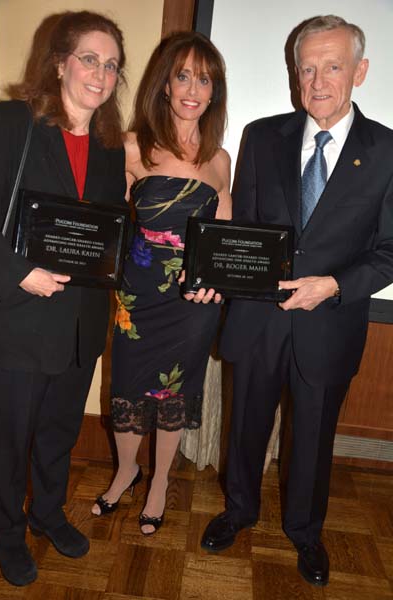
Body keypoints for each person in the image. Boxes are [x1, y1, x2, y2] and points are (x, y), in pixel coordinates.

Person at [200, 15, 393, 587]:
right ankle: (238, 511)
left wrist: (331, 285)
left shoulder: (386, 151)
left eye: (332, 66)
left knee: (312, 438)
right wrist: (215, 270)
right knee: (244, 428)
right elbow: (246, 234)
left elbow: (389, 250)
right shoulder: (262, 136)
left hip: (329, 324)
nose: (317, 81)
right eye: (306, 68)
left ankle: (306, 534)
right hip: (257, 319)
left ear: (359, 71)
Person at [0, 10, 127, 586]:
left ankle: (46, 514)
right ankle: (5, 531)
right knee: (7, 439)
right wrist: (18, 272)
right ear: (60, 62)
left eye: (113, 65)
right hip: (20, 317)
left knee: (59, 431)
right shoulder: (9, 125)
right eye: (90, 59)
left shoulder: (108, 146)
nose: (101, 74)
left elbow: (105, 233)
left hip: (79, 325)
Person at [91, 31, 231, 535]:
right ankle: (127, 471)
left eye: (206, 79)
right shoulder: (133, 146)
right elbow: (105, 222)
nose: (194, 88)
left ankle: (158, 483)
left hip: (192, 305)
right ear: (166, 85)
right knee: (128, 391)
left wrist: (218, 283)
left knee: (173, 396)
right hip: (138, 299)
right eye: (183, 75)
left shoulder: (220, 160)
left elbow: (223, 238)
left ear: (215, 92)